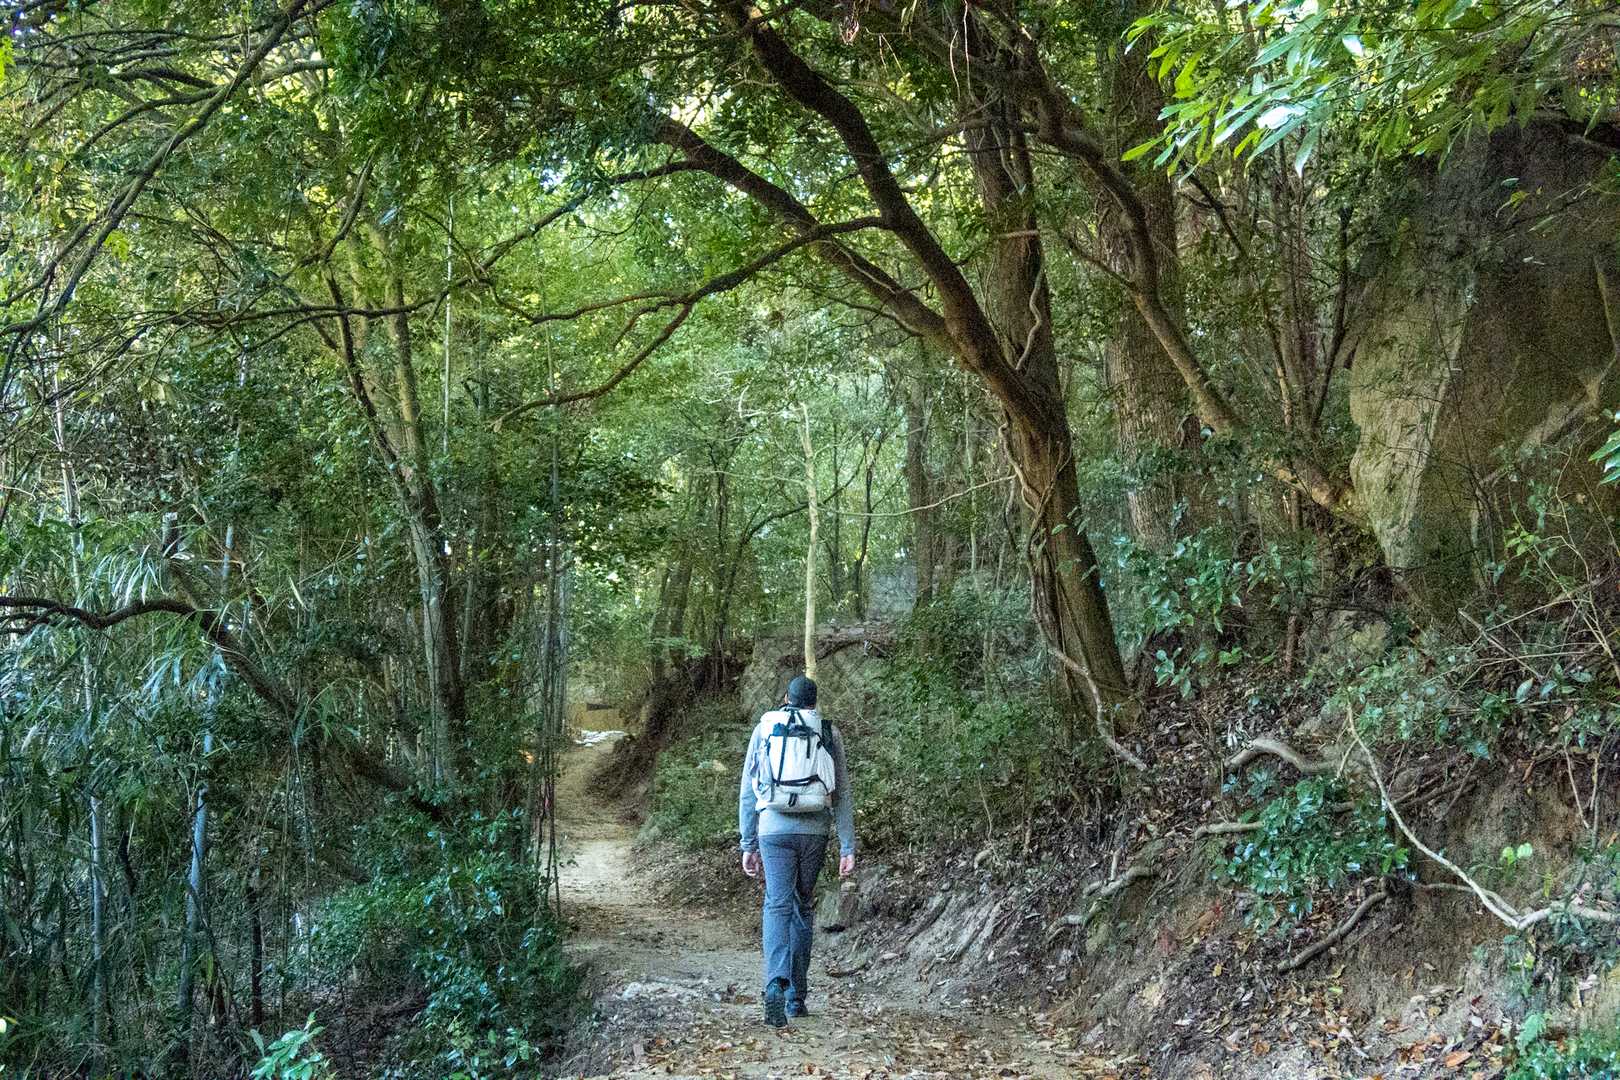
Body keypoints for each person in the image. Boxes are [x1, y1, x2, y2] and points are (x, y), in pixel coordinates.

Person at [738, 674, 855, 1028]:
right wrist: (847, 846)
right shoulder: (827, 731)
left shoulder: (765, 728)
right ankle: (796, 999)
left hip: (773, 829)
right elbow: (842, 793)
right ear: (814, 703)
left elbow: (748, 791)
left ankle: (775, 982)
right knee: (802, 907)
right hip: (814, 832)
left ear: (786, 699)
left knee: (777, 904)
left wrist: (748, 843)